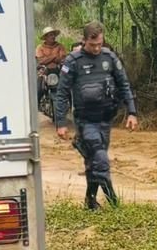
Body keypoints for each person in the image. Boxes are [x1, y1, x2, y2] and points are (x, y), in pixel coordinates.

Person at [54, 23, 139, 208]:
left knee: (94, 161)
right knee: (101, 160)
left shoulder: (109, 57)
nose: (97, 48)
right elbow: (61, 93)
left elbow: (124, 85)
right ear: (84, 40)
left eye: (100, 44)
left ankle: (90, 201)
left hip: (105, 119)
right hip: (85, 121)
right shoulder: (73, 61)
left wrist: (132, 112)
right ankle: (114, 203)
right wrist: (61, 122)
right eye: (93, 45)